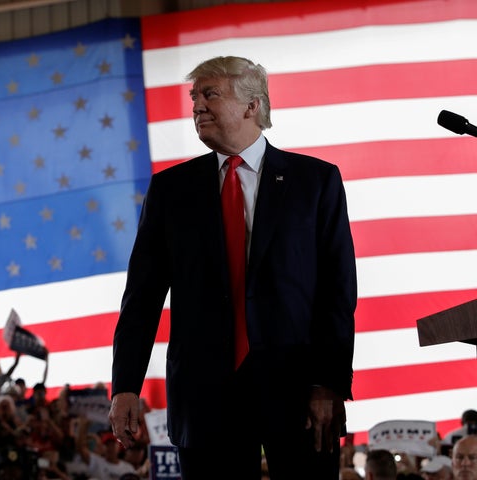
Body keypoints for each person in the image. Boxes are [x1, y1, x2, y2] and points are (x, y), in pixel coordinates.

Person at [108, 55, 357, 480]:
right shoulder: (171, 190)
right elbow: (142, 297)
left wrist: (327, 384)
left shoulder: (315, 181)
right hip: (204, 396)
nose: (197, 106)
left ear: (252, 105)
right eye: (194, 97)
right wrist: (126, 384)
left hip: (297, 393)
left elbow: (337, 292)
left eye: (210, 94)